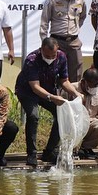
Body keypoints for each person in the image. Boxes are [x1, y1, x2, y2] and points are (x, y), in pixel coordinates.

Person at [15, 37, 82, 165]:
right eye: (47, 55)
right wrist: (52, 97)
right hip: (28, 91)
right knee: (33, 116)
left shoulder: (61, 57)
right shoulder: (32, 60)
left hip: (48, 90)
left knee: (61, 114)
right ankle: (32, 154)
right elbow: (35, 87)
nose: (51, 58)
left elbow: (64, 81)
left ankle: (50, 151)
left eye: (53, 55)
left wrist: (75, 92)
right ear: (41, 50)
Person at [40, 0, 87, 82]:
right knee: (54, 73)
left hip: (74, 42)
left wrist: (74, 29)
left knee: (76, 74)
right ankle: (56, 98)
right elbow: (44, 20)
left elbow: (82, 17)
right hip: (56, 41)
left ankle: (74, 98)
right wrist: (45, 42)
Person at [62, 68, 98, 159]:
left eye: (96, 85)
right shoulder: (71, 88)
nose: (94, 88)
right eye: (92, 85)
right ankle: (70, 149)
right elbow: (62, 110)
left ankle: (86, 148)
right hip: (73, 123)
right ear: (83, 81)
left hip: (90, 122)